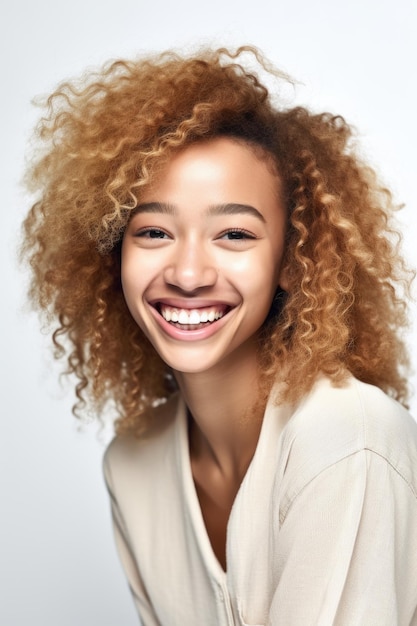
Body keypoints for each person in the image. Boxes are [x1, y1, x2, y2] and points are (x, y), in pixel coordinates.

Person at [21, 46, 417, 625]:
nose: (187, 274)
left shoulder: (346, 438)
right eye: (154, 231)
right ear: (113, 254)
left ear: (291, 261)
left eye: (233, 234)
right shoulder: (135, 465)